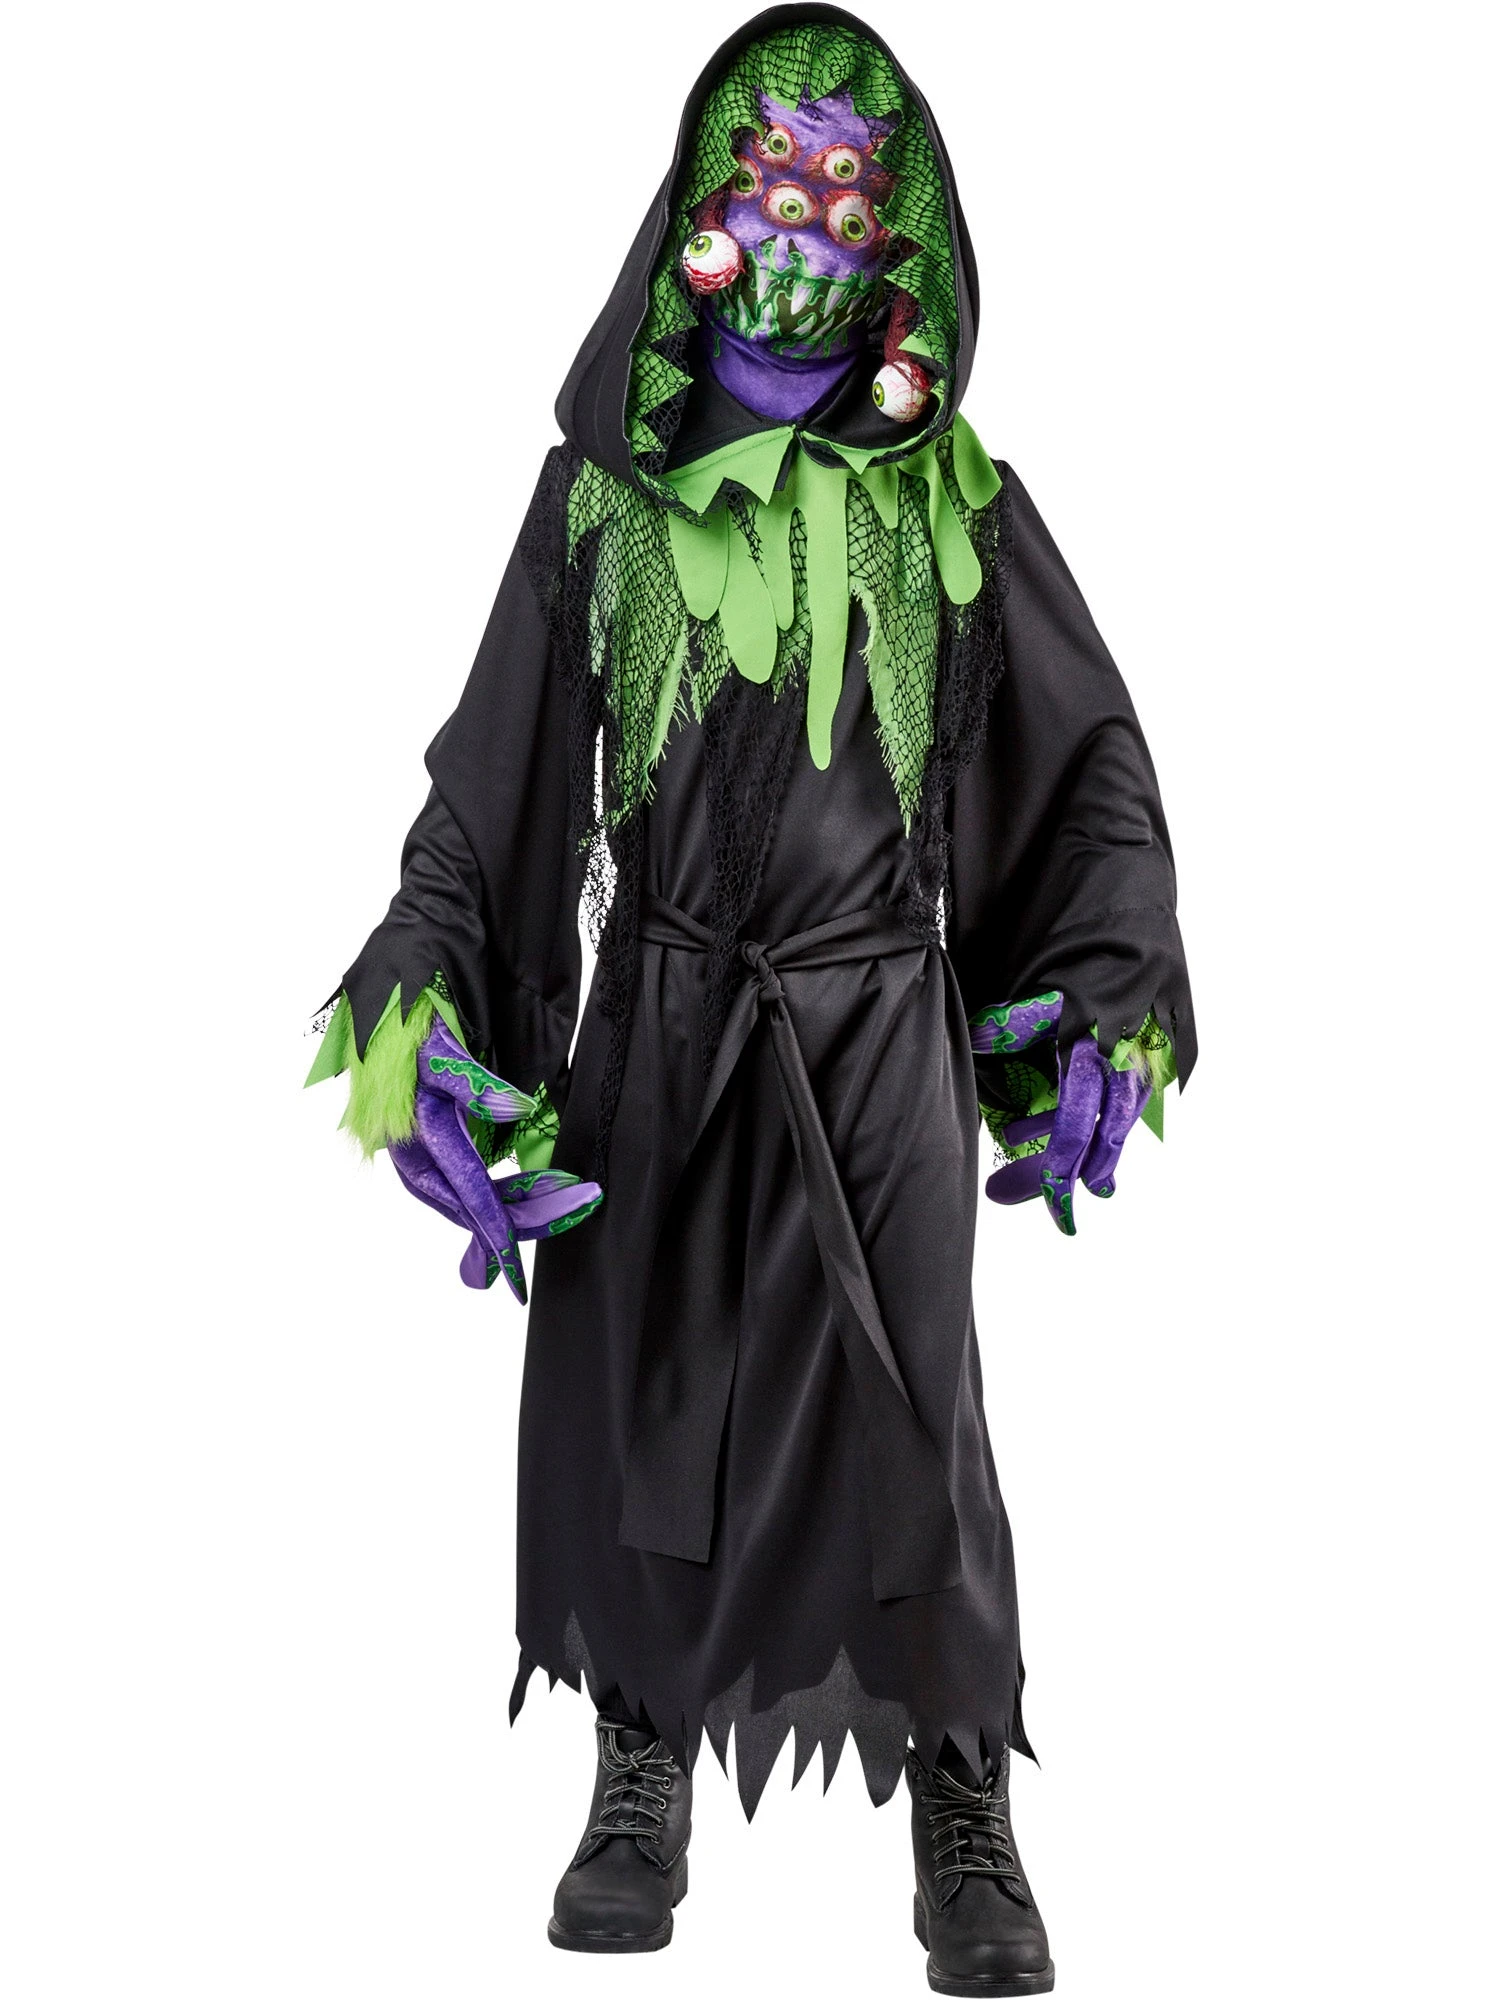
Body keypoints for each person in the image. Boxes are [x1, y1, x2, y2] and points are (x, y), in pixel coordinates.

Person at [307, 7, 1195, 1991]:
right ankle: (639, 1757)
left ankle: (962, 1790)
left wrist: (1108, 985)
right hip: (664, 1029)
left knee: (916, 1424)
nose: (800, 234)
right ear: (699, 214)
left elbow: (1091, 771)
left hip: (878, 1028)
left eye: (843, 198)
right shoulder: (599, 512)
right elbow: (482, 797)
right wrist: (417, 1008)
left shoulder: (954, 505)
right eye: (769, 185)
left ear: (902, 241)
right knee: (649, 1388)